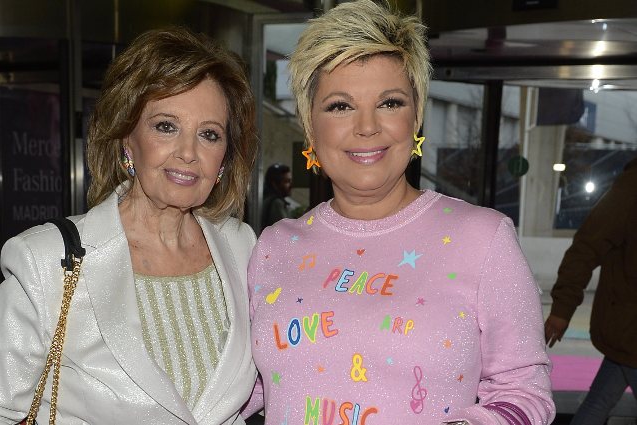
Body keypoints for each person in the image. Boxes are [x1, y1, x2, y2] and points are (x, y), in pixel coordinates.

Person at [241, 1, 555, 424]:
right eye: (340, 105)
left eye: (390, 103)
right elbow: (246, 388)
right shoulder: (274, 246)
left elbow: (524, 393)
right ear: (310, 125)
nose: (367, 126)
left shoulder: (483, 239)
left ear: (417, 116)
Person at [0, 27, 258, 424]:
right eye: (165, 126)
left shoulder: (243, 248)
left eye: (209, 134)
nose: (189, 153)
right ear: (127, 138)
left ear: (225, 157)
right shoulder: (46, 261)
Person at [544, 156, 637, 425]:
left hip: (627, 333)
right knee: (598, 403)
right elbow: (585, 249)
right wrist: (563, 308)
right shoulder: (631, 189)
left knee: (597, 404)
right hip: (630, 329)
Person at [261, 163, 293, 228]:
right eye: (287, 181)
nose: (291, 185)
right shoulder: (276, 203)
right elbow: (287, 229)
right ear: (274, 184)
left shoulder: (269, 200)